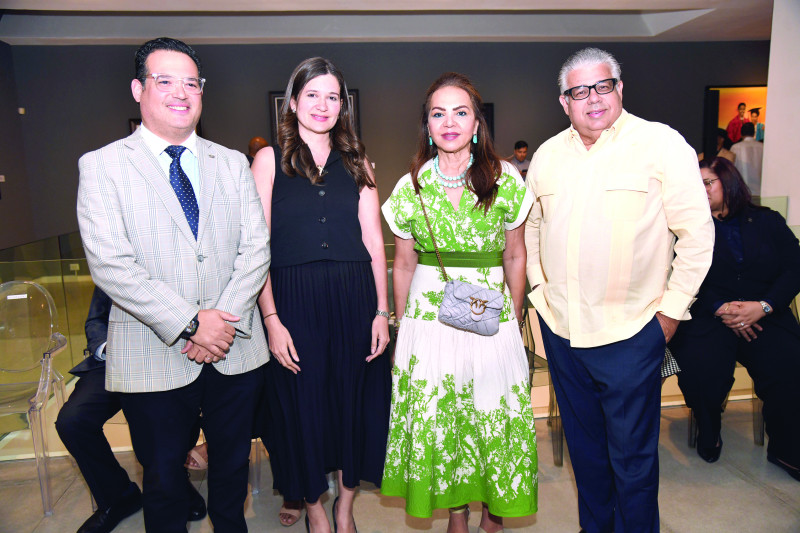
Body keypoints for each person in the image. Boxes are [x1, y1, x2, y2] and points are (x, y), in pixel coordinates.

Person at [76, 37, 270, 532]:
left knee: (232, 477)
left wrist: (219, 323)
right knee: (163, 484)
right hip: (152, 353)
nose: (181, 92)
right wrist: (190, 324)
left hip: (234, 348)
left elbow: (256, 250)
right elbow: (111, 265)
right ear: (139, 89)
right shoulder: (102, 167)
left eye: (192, 83)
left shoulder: (230, 163)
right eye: (165, 81)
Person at [525, 47, 714, 533]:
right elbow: (531, 229)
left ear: (620, 89)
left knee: (632, 466)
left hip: (633, 333)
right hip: (564, 334)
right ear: (563, 101)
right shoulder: (547, 154)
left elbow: (697, 236)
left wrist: (669, 315)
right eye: (579, 91)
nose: (593, 99)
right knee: (587, 463)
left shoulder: (660, 144)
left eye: (603, 86)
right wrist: (540, 295)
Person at [381, 72, 538, 533]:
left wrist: (512, 313)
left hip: (489, 315)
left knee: (491, 411)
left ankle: (494, 511)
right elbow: (404, 265)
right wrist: (402, 325)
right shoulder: (411, 184)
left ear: (476, 124)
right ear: (427, 126)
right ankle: (456, 512)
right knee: (443, 416)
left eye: (460, 112)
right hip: (429, 320)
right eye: (438, 113)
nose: (449, 122)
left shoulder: (505, 178)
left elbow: (515, 253)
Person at [251, 57, 391, 533]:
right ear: (293, 102)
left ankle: (345, 508)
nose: (323, 105)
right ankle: (315, 507)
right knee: (302, 408)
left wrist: (381, 312)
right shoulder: (269, 159)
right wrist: (271, 319)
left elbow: (374, 241)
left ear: (343, 106)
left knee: (353, 403)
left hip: (354, 298)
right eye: (312, 94)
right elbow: (258, 248)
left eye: (333, 96)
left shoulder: (359, 162)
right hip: (294, 301)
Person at [668, 157, 800, 481]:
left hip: (765, 313)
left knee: (788, 363)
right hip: (709, 314)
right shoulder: (688, 228)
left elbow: (794, 268)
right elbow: (678, 274)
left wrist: (764, 305)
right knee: (702, 365)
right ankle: (709, 429)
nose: (701, 190)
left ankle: (786, 448)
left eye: (708, 182)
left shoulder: (766, 221)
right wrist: (721, 307)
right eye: (696, 184)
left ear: (729, 183)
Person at [56, 287, 207, 533]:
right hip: (116, 359)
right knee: (73, 421)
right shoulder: (116, 257)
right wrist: (108, 349)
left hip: (168, 358)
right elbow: (96, 319)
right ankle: (118, 497)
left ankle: (174, 480)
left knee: (168, 414)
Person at [731, 121, 764, 195]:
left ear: (741, 134)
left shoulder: (736, 147)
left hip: (742, 191)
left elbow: (731, 169)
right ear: (754, 133)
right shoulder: (762, 147)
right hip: (760, 191)